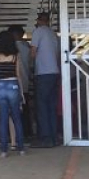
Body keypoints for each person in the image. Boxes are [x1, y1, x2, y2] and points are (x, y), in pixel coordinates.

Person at [0, 30, 27, 157]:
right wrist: (21, 92)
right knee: (16, 118)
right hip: (13, 86)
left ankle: (4, 151)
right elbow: (18, 75)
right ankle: (21, 149)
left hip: (0, 87)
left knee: (3, 119)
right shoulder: (15, 55)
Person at [31, 12, 60, 148]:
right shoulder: (54, 34)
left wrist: (30, 66)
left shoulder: (38, 32)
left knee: (42, 106)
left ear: (39, 21)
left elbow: (33, 53)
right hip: (54, 72)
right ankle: (54, 136)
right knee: (51, 106)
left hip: (43, 73)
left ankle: (45, 138)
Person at [8, 24, 33, 141]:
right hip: (25, 81)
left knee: (13, 110)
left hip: (13, 82)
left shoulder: (10, 48)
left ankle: (15, 134)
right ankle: (27, 132)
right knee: (25, 109)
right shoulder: (27, 47)